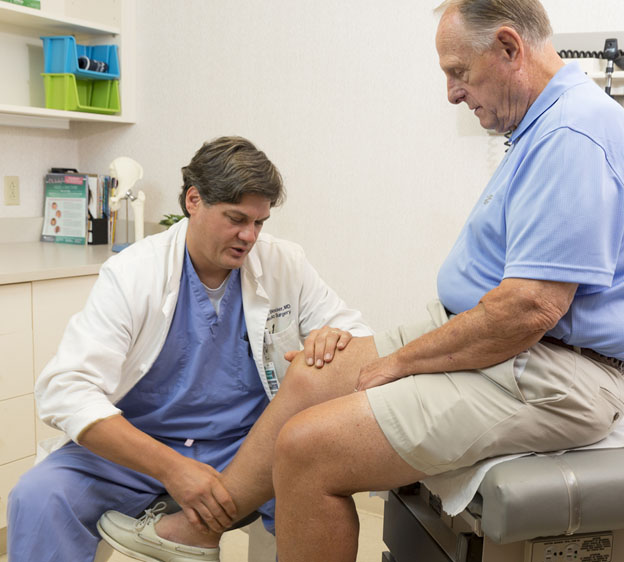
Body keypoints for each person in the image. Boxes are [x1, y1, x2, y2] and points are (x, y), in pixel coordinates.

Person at [96, 1, 624, 561]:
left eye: (458, 72)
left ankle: (199, 525)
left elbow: (528, 311)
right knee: (311, 376)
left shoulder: (571, 133)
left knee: (307, 449)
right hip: (502, 345)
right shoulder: (545, 124)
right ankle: (202, 531)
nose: (451, 93)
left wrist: (401, 363)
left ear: (509, 48)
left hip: (547, 369)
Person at [7, 136, 371, 562]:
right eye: (236, 219)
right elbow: (65, 389)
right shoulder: (133, 273)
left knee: (317, 486)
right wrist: (170, 467)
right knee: (37, 496)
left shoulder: (282, 262)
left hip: (246, 447)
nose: (249, 236)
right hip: (140, 449)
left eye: (259, 222)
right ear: (193, 200)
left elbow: (356, 335)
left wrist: (335, 336)